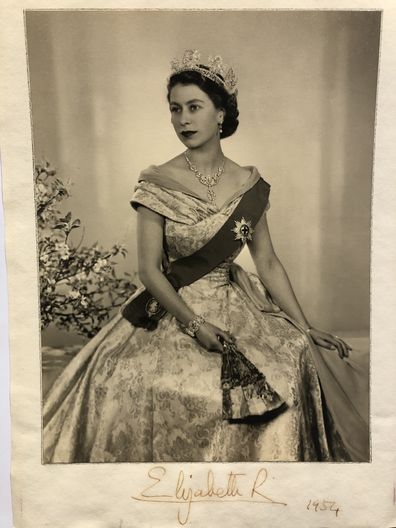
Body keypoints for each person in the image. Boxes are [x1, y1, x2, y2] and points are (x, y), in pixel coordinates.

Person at [43, 49, 369, 463]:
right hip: (172, 308)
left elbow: (266, 261)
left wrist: (304, 325)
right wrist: (194, 324)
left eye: (194, 107)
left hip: (237, 303)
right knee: (136, 381)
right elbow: (148, 269)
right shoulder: (157, 182)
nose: (183, 120)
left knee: (289, 369)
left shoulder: (248, 184)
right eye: (175, 109)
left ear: (221, 113)